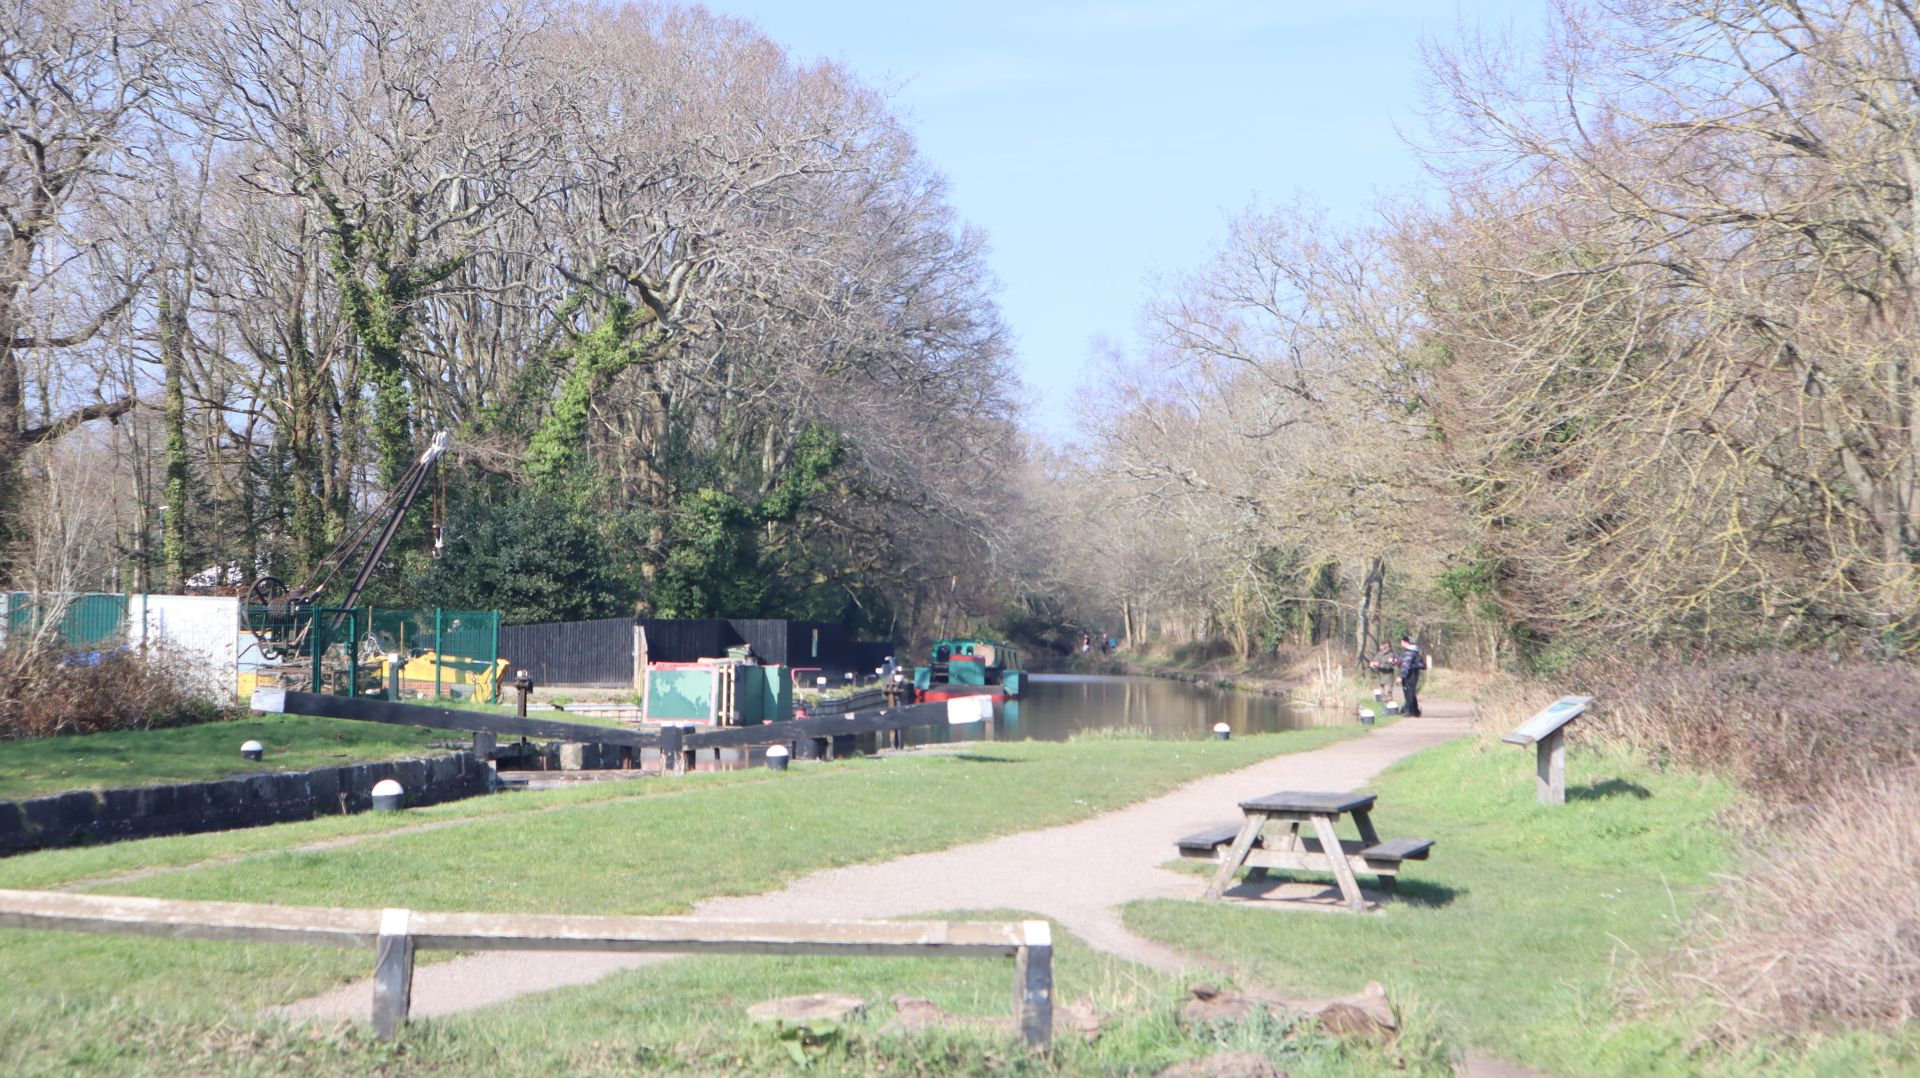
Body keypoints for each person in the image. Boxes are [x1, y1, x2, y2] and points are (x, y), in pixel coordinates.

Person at [1396, 635, 1425, 717]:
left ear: (1405, 642)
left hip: (1410, 675)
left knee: (1409, 693)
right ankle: (1415, 711)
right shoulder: (1414, 651)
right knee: (1411, 692)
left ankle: (1411, 712)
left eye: (1402, 642)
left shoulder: (1409, 652)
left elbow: (1406, 665)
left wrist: (1401, 676)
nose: (1401, 643)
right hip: (1413, 674)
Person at [1367, 641, 1398, 706]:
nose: (1381, 646)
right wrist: (1372, 664)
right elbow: (1374, 661)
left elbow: (1390, 666)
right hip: (1380, 678)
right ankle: (1384, 709)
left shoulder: (1392, 654)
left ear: (1387, 645)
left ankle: (1390, 709)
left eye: (1383, 644)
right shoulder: (1379, 654)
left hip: (1388, 678)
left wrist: (1379, 665)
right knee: (1382, 695)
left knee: (1388, 694)